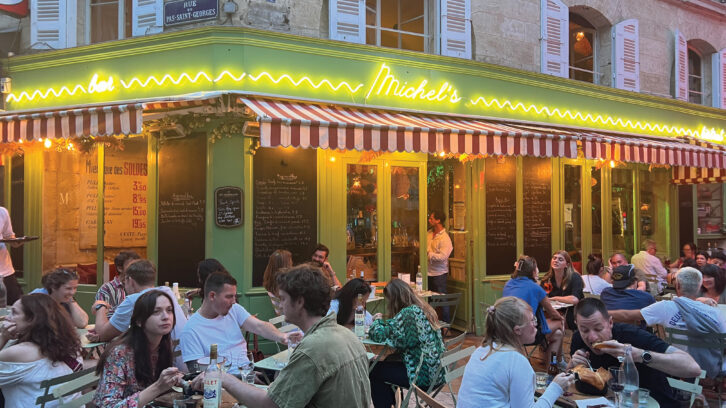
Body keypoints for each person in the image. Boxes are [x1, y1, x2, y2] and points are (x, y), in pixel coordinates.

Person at [192, 264, 371, 407]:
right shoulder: (348, 336)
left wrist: (222, 377)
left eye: (283, 298)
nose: (281, 305)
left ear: (300, 302)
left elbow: (270, 405)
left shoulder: (312, 349)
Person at [567, 298, 701, 408]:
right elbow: (568, 376)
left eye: (598, 328)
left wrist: (639, 355)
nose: (592, 337)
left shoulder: (633, 336)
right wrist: (573, 364)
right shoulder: (578, 339)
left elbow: (693, 368)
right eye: (584, 330)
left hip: (657, 403)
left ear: (610, 322)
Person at [609, 267, 726, 378]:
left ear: (677, 285)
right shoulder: (716, 312)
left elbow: (627, 315)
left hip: (676, 364)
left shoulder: (665, 307)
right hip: (711, 366)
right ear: (700, 286)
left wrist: (603, 313)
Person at [457, 297, 575, 408]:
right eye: (532, 320)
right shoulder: (515, 361)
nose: (536, 324)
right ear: (518, 330)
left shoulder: (482, 350)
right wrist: (556, 387)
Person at [180, 271, 297, 373]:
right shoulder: (191, 330)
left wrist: (283, 337)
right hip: (225, 386)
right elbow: (198, 375)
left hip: (248, 372)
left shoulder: (234, 309)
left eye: (234, 296)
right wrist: (241, 379)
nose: (234, 301)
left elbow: (260, 326)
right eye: (229, 297)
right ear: (212, 296)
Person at [94, 290, 184, 407]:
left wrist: (185, 381)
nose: (166, 317)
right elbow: (108, 406)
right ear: (139, 321)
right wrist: (158, 387)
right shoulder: (120, 353)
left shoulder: (163, 345)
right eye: (156, 312)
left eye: (169, 310)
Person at [89, 260, 187, 368]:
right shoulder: (166, 292)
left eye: (169, 310)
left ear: (129, 280)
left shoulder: (135, 299)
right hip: (184, 360)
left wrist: (100, 306)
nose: (165, 316)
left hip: (168, 365)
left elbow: (103, 333)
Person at [367, 278, 445, 408]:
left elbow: (378, 335)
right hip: (437, 373)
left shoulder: (408, 314)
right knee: (386, 363)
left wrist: (377, 320)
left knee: (374, 371)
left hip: (423, 376)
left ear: (395, 298)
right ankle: (396, 404)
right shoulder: (424, 309)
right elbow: (404, 342)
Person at [0, 294, 82, 407]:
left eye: (14, 312)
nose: (7, 317)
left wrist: (3, 338)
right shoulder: (71, 347)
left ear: (31, 319)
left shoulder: (19, 352)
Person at [502, 255, 564, 366]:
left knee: (557, 334)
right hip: (524, 333)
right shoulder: (535, 288)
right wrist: (561, 318)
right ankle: (555, 364)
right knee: (560, 324)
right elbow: (553, 313)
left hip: (506, 332)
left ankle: (552, 362)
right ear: (533, 271)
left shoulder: (508, 284)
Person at [540, 250, 583, 329]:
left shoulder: (574, 277)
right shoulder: (548, 279)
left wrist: (555, 298)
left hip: (573, 311)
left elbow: (574, 299)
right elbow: (545, 296)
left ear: (567, 264)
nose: (556, 261)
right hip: (554, 311)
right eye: (554, 258)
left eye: (560, 259)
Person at [426, 210, 453, 323]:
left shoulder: (445, 238)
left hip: (439, 274)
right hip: (428, 272)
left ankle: (446, 325)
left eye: (431, 218)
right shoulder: (428, 234)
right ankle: (432, 324)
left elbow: (443, 257)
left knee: (442, 300)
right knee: (430, 300)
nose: (429, 220)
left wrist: (429, 254)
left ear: (438, 220)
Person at [95, 250, 140, 317]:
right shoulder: (106, 289)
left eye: (137, 266)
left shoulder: (141, 285)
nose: (136, 269)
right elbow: (104, 317)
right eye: (131, 266)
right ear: (120, 268)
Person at [0, 206, 23, 305]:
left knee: (18, 307)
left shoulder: (2, 212)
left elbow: (9, 236)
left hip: (6, 272)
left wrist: (16, 242)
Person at [263, 249, 292, 316]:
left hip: (282, 319)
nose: (292, 263)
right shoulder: (287, 284)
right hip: (292, 321)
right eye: (290, 261)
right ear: (285, 265)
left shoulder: (271, 283)